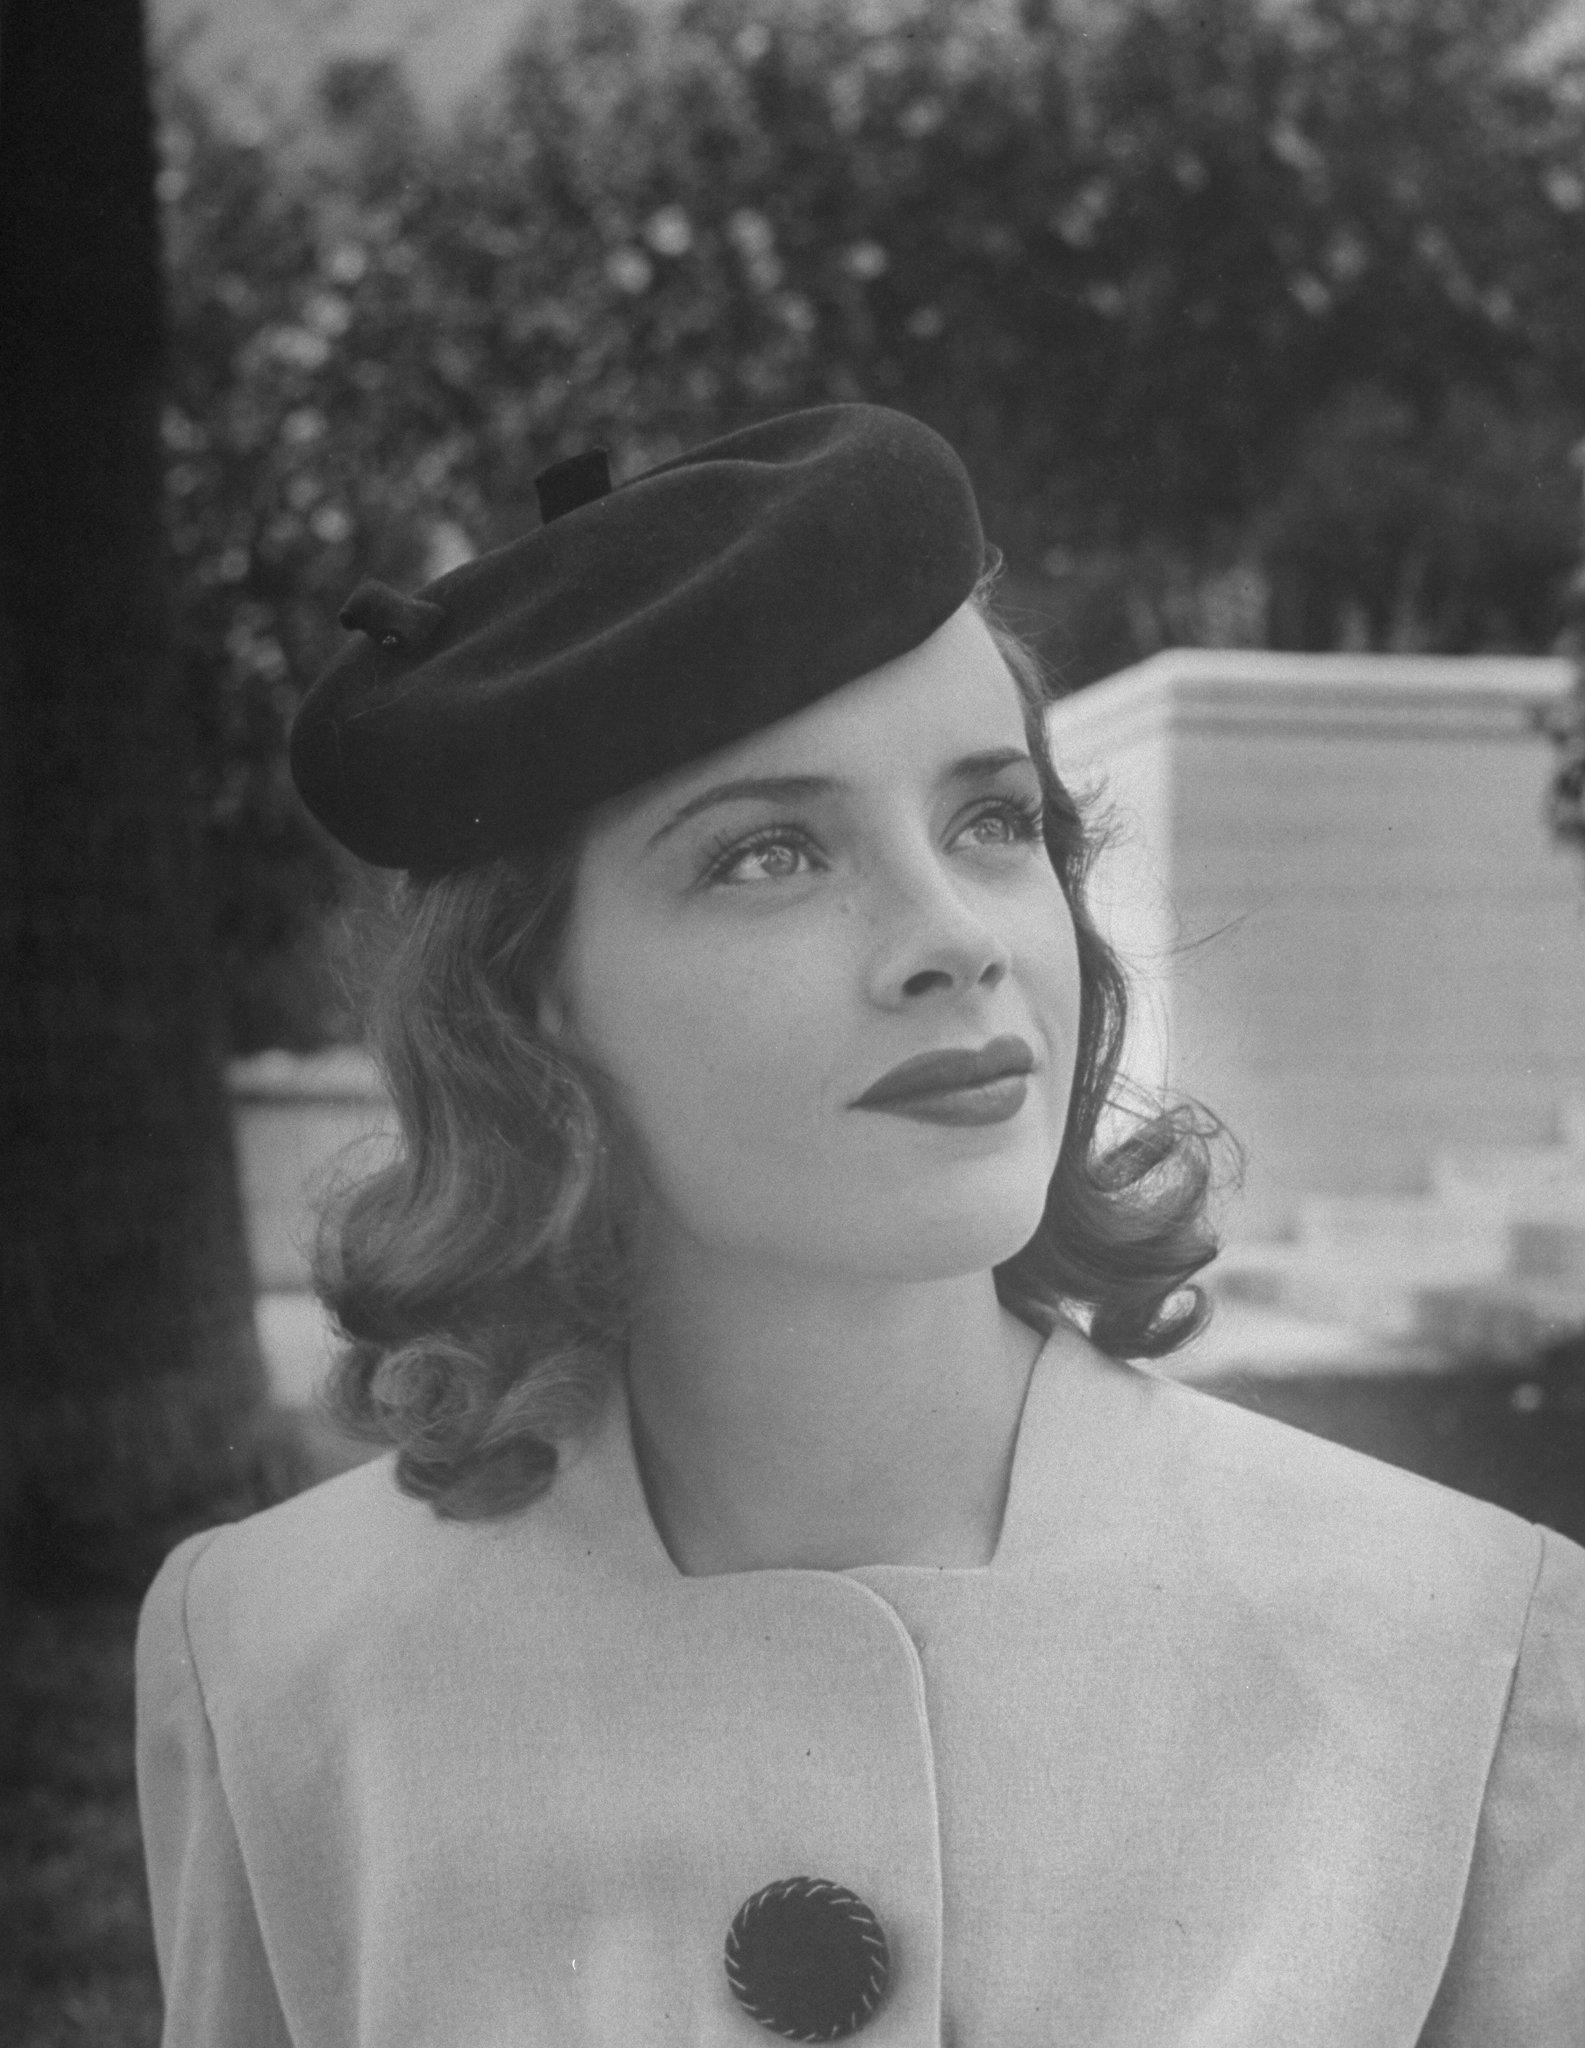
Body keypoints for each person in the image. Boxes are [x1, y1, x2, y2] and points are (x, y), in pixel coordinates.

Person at [136, 405, 1585, 2046]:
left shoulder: (1463, 1653)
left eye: (992, 820)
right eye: (767, 853)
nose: (952, 938)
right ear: (527, 1009)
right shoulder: (274, 1659)